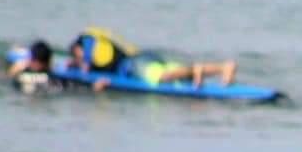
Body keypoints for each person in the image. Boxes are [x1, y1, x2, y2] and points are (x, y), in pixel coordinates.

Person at [68, 29, 237, 89]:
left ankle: (196, 69)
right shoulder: (100, 44)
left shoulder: (86, 40)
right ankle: (223, 68)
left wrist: (87, 79)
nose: (77, 58)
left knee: (161, 78)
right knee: (178, 75)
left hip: (136, 66)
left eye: (76, 54)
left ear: (77, 48)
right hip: (145, 58)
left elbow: (86, 64)